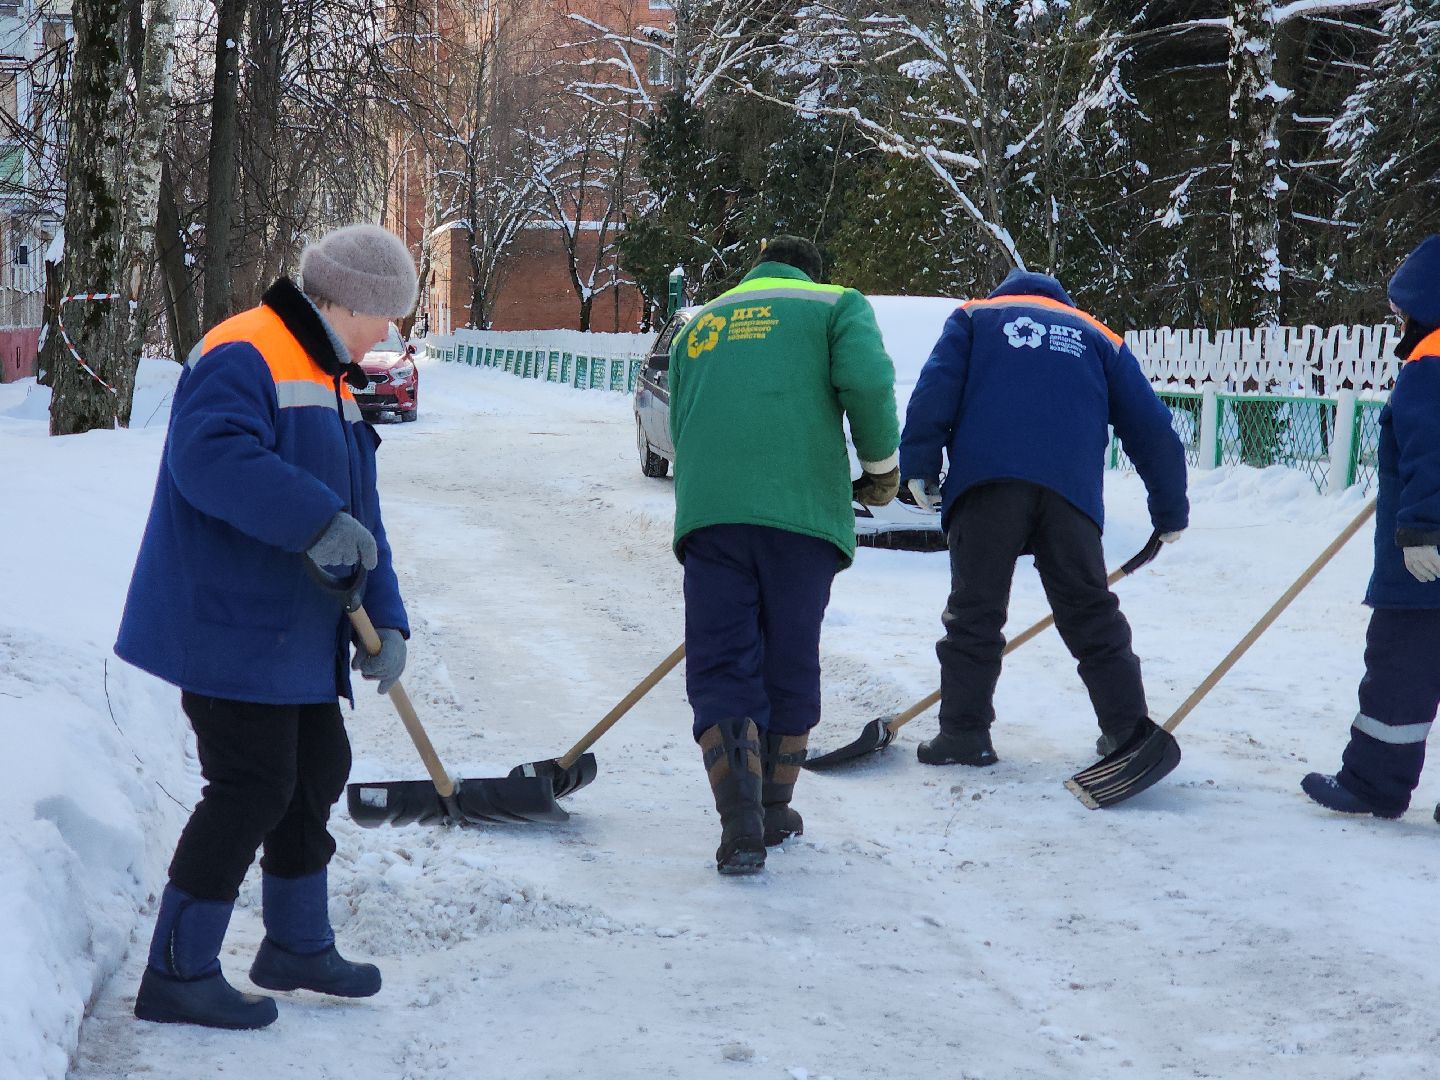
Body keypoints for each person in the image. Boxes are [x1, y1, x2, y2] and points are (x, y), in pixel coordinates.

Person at [115, 224, 418, 1029]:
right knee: (251, 786)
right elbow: (208, 458)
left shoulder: (336, 380)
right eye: (386, 315)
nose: (390, 332)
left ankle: (296, 943)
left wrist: (386, 621)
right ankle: (176, 972)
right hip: (229, 625)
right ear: (349, 301)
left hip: (291, 635)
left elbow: (363, 525)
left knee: (317, 770)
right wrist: (315, 520)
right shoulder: (244, 350)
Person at [669, 235, 899, 875]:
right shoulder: (836, 306)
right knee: (790, 651)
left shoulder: (702, 322)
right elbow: (868, 382)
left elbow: (679, 416)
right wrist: (880, 469)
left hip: (712, 515)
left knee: (721, 661)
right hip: (802, 515)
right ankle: (773, 804)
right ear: (811, 274)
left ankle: (739, 822)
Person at [899, 268, 1188, 768]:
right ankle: (1126, 731)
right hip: (1068, 494)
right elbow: (1152, 427)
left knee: (975, 612)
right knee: (1089, 611)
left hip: (985, 487)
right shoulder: (1098, 335)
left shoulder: (973, 318)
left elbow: (934, 391)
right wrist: (1169, 509)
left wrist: (920, 466)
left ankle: (965, 734)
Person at [1303, 236, 1440, 820]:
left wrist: (1423, 528)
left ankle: (1373, 785)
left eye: (1400, 307)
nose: (1398, 320)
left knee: (1400, 672)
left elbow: (1431, 448)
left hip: (1424, 567)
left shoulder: (1430, 360)